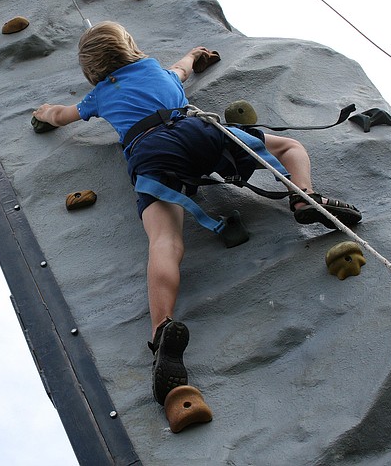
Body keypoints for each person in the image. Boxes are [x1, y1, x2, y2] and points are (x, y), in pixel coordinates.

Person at [32, 21, 360, 407]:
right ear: (130, 47)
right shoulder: (155, 69)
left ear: (92, 67)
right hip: (196, 129)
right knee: (288, 147)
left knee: (164, 240)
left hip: (150, 151)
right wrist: (196, 54)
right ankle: (303, 196)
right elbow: (181, 69)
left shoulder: (99, 96)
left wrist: (43, 113)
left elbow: (61, 116)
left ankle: (162, 329)